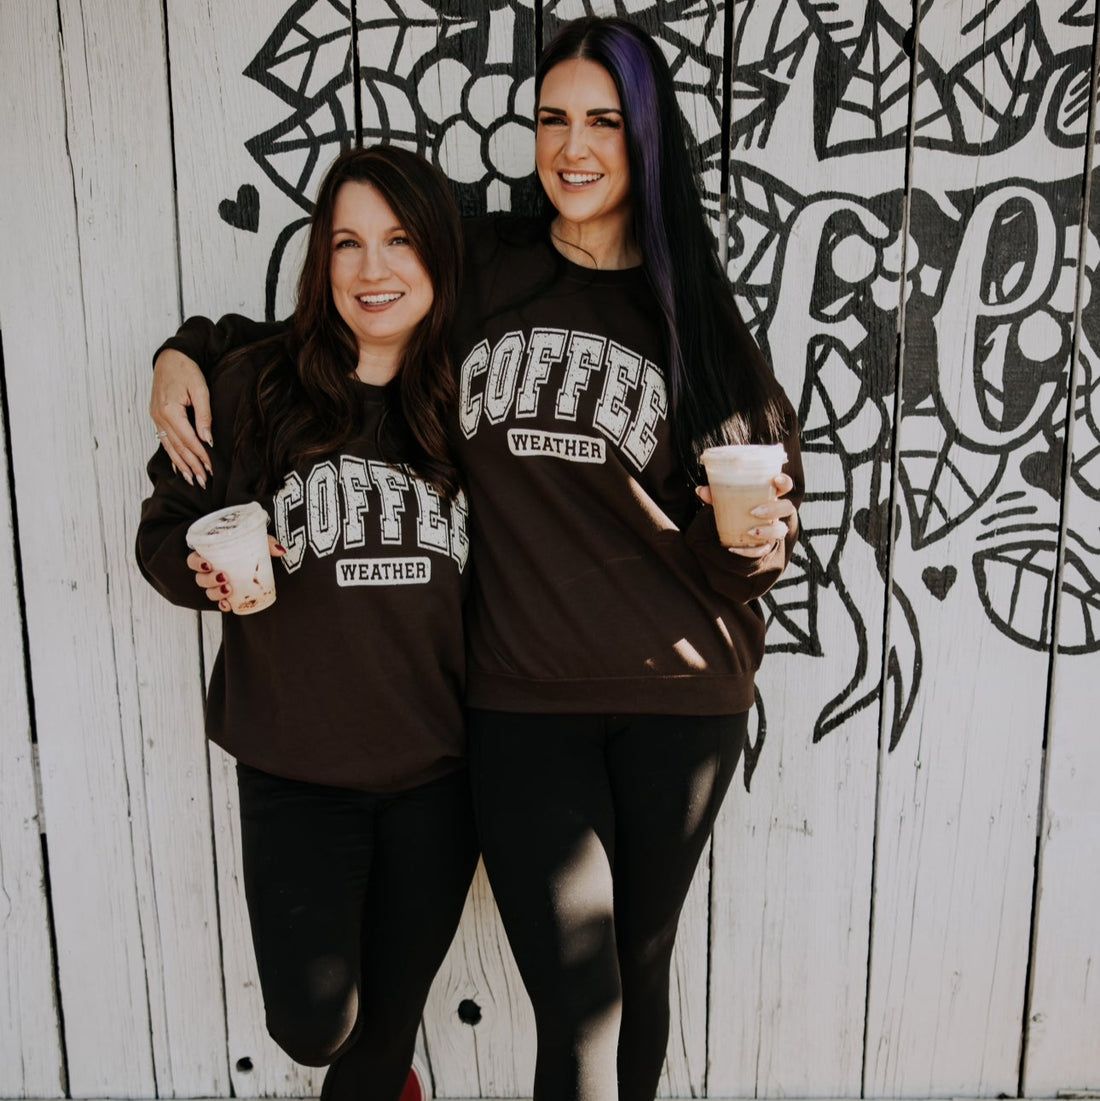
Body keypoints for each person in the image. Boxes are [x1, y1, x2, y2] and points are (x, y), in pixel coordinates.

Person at [150, 17, 804, 1101]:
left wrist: (750, 546)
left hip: (683, 695)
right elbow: (339, 311)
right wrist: (185, 350)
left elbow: (750, 534)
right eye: (553, 118)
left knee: (635, 975)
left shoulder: (692, 308)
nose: (573, 146)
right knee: (577, 999)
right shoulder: (484, 264)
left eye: (603, 121)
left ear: (646, 138)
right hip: (520, 701)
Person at [136, 145, 477, 1101]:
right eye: (347, 244)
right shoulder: (255, 387)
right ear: (320, 260)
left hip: (442, 774)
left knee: (380, 1038)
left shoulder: (469, 399)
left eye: (400, 240)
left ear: (440, 254)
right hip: (294, 770)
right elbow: (163, 534)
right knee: (314, 1025)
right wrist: (204, 570)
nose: (373, 269)